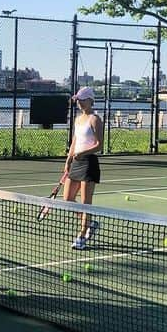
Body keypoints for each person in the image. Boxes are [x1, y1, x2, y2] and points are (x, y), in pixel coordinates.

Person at [64, 86, 103, 250]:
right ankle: (90, 223)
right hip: (76, 163)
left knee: (85, 203)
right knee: (67, 200)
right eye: (77, 100)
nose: (79, 103)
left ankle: (81, 235)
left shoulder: (95, 119)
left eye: (82, 100)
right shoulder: (78, 119)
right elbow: (74, 141)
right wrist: (68, 160)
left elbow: (99, 145)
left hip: (89, 163)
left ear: (90, 100)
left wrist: (83, 153)